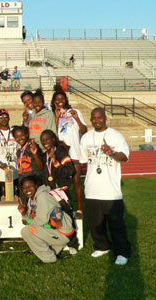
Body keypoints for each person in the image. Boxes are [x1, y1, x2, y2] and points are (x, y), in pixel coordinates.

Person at [79, 107, 132, 266]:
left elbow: (125, 157)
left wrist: (111, 153)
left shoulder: (115, 136)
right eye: (94, 118)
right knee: (96, 224)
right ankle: (102, 246)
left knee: (116, 226)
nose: (97, 121)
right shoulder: (86, 138)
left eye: (99, 118)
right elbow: (83, 161)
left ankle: (122, 252)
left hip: (111, 192)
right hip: (92, 189)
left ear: (105, 118)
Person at [18, 176, 75, 264]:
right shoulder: (34, 197)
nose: (27, 189)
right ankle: (53, 250)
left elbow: (41, 221)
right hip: (58, 231)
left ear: (36, 186)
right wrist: (24, 214)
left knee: (26, 231)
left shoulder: (42, 196)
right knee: (30, 228)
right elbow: (33, 220)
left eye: (30, 186)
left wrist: (28, 221)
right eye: (24, 188)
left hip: (63, 233)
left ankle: (49, 258)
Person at [51, 85, 88, 219]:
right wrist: (56, 117)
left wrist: (77, 118)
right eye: (57, 99)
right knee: (61, 183)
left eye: (62, 98)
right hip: (61, 154)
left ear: (66, 100)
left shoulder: (75, 111)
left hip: (74, 152)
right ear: (54, 101)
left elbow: (84, 131)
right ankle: (64, 208)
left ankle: (79, 209)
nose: (59, 101)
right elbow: (52, 134)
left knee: (76, 181)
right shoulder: (53, 114)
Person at [0, 109, 20, 200]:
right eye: (1, 117)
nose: (3, 119)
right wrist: (0, 165)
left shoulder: (15, 131)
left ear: (9, 118)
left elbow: (20, 150)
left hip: (15, 172)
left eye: (5, 116)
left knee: (14, 199)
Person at [12, 126, 43, 203]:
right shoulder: (19, 151)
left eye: (22, 135)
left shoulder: (32, 147)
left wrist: (35, 154)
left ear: (26, 135)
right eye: (17, 137)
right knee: (25, 204)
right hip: (23, 181)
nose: (20, 138)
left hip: (34, 181)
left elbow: (41, 166)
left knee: (37, 203)